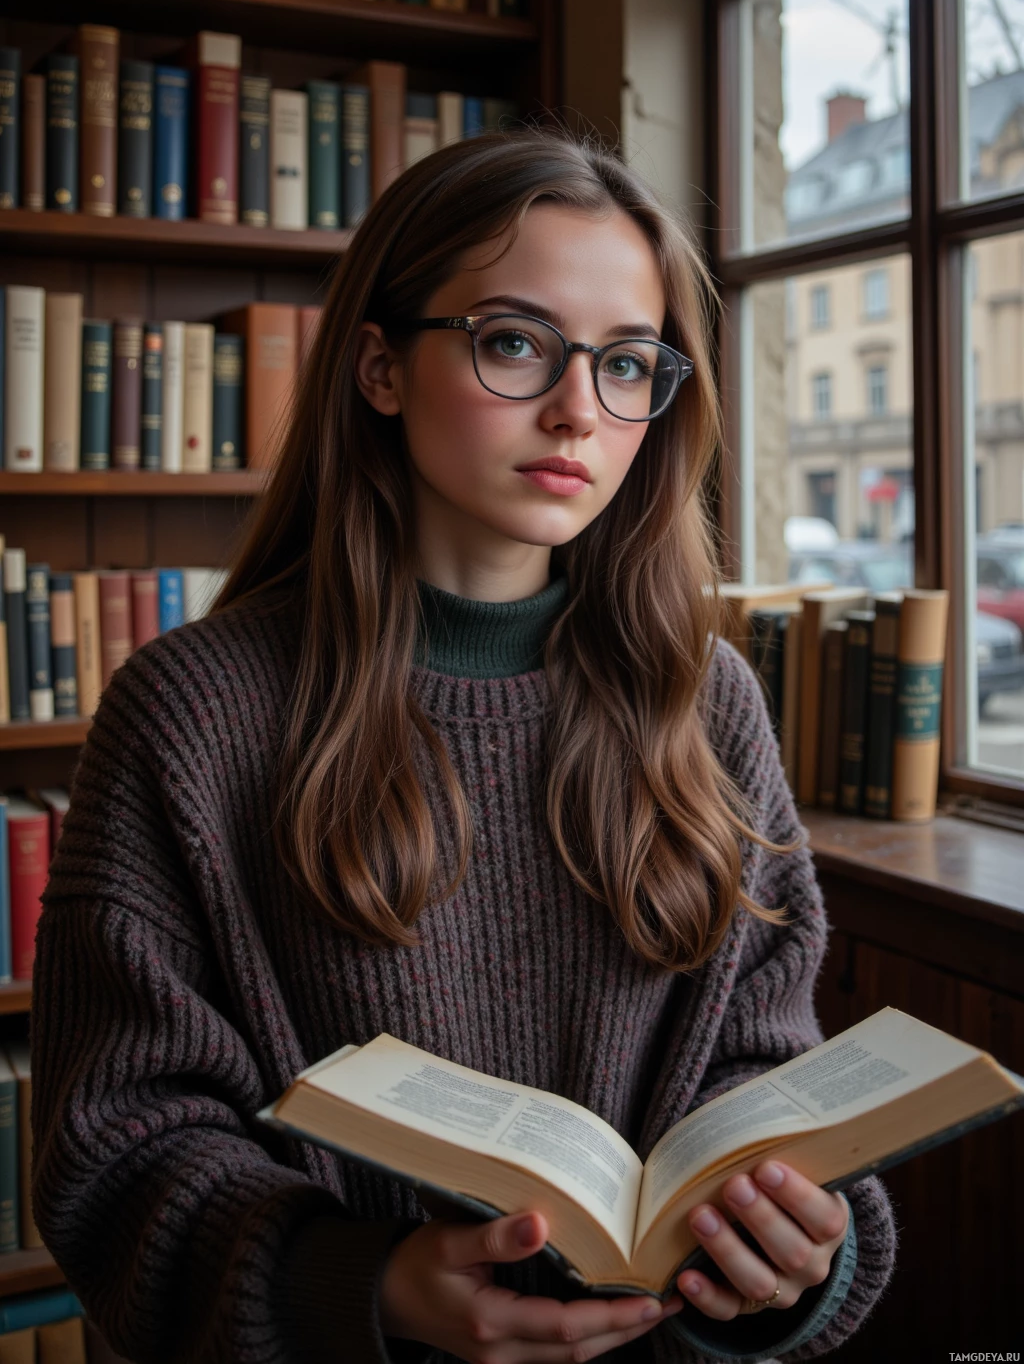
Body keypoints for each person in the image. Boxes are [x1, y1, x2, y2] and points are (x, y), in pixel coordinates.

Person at [31, 131, 896, 1364]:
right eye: (513, 341)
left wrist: (803, 1255)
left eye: (628, 364)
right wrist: (362, 1288)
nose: (575, 411)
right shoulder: (192, 712)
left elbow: (766, 1080)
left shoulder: (705, 701)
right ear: (380, 368)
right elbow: (115, 1145)